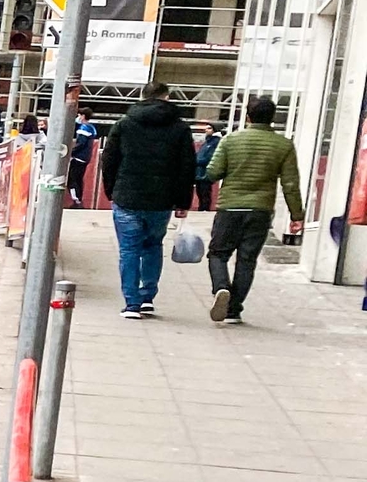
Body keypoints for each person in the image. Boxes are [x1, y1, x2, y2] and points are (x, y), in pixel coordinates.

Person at [204, 93, 305, 325]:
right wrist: (296, 215)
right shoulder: (284, 145)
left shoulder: (230, 140)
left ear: (248, 116)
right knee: (247, 259)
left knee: (218, 253)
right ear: (272, 118)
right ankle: (233, 310)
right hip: (260, 210)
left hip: (230, 207)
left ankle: (221, 287)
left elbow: (212, 172)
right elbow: (290, 183)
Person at [97, 92, 197, 319]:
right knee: (153, 246)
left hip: (127, 198)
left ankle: (132, 303)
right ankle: (147, 297)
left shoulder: (124, 124)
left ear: (143, 97)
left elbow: (109, 160)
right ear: (167, 97)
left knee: (129, 250)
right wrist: (183, 201)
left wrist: (111, 190)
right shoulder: (180, 128)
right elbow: (186, 167)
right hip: (161, 200)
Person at [65, 99, 99, 205]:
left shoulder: (84, 128)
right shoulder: (91, 128)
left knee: (73, 179)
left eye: (79, 115)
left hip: (79, 157)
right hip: (85, 157)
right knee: (79, 178)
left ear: (83, 116)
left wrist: (71, 152)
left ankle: (76, 199)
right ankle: (78, 198)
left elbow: (81, 143)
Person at [193, 121, 224, 211]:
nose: (206, 130)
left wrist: (196, 161)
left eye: (209, 128)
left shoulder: (215, 143)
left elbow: (209, 157)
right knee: (200, 193)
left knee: (205, 194)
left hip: (205, 173)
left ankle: (204, 211)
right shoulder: (207, 142)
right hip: (200, 173)